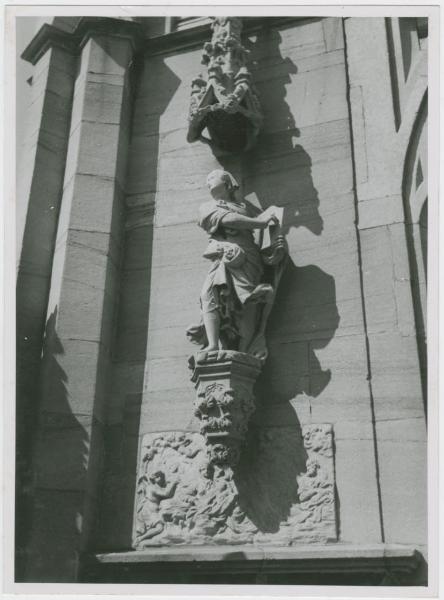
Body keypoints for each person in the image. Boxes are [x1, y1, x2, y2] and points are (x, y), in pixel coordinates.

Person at [187, 169, 279, 353]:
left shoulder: (246, 207)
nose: (208, 181)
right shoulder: (207, 208)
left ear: (228, 183)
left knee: (244, 303)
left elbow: (269, 222)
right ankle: (213, 344)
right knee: (209, 293)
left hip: (248, 257)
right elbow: (229, 219)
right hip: (223, 256)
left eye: (213, 177)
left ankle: (245, 349)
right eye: (207, 179)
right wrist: (260, 222)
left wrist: (276, 244)